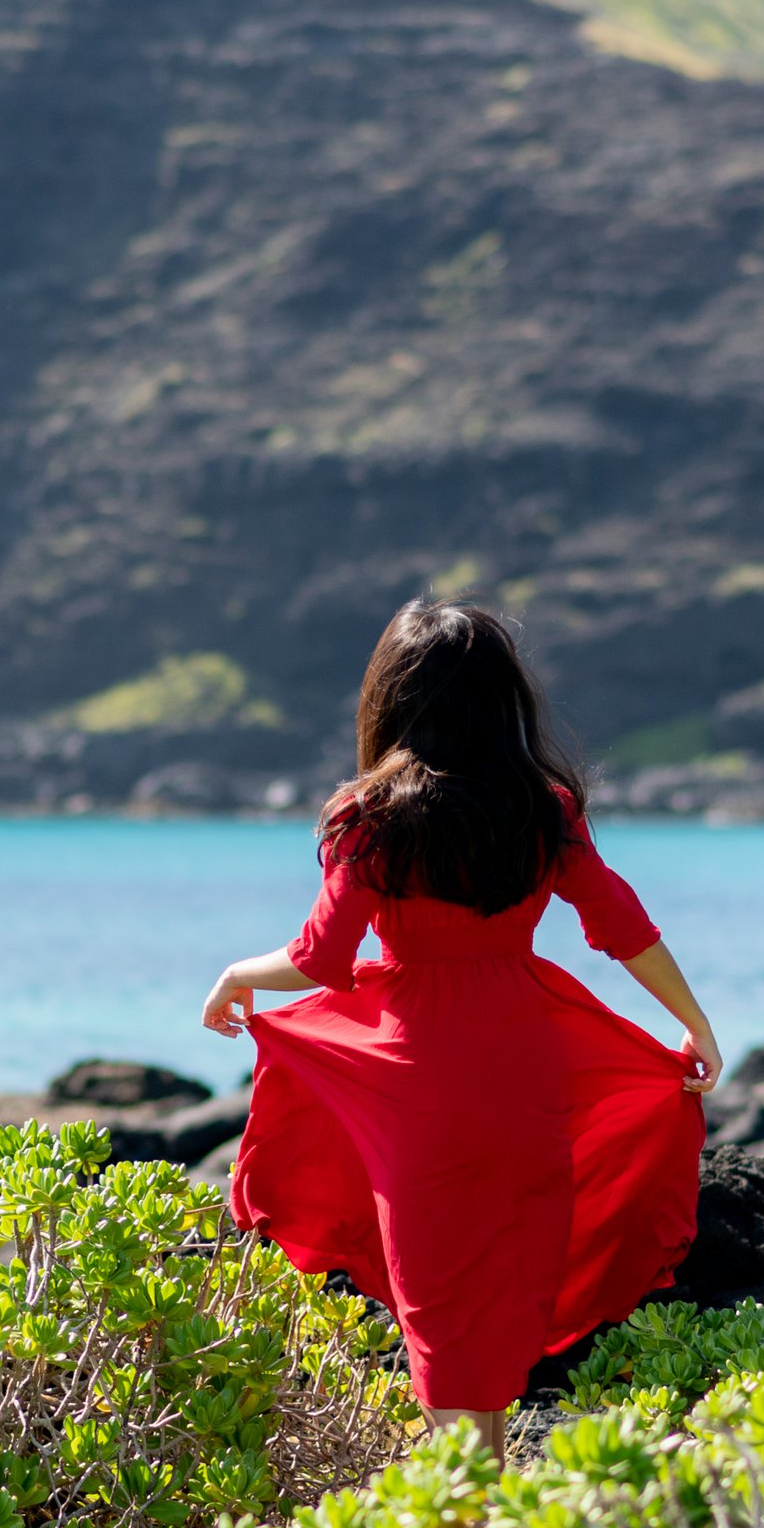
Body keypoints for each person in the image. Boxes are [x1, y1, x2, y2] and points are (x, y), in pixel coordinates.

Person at [202, 600, 718, 1464]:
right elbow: (623, 925)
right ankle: (483, 1518)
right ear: (503, 698)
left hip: (417, 1082)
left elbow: (319, 961)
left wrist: (233, 977)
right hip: (528, 1069)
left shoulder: (370, 817)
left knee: (439, 1318)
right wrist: (693, 1025)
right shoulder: (544, 809)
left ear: (392, 699)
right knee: (502, 1297)